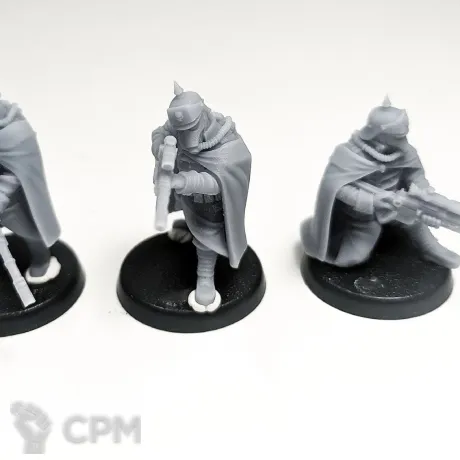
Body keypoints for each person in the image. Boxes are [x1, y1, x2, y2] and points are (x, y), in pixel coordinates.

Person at [301, 96, 460, 269]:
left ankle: (430, 248)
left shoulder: (406, 152)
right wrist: (371, 201)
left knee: (416, 221)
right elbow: (336, 188)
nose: (402, 141)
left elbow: (415, 175)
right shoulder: (349, 153)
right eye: (396, 137)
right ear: (379, 134)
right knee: (351, 259)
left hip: (400, 207)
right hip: (363, 217)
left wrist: (424, 194)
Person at [151, 83, 251, 312]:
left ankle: (205, 275)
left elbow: (219, 182)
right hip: (188, 199)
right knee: (191, 217)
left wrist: (181, 181)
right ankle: (189, 226)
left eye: (191, 128)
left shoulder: (226, 140)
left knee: (208, 236)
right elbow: (158, 134)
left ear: (202, 116)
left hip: (212, 205)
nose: (186, 136)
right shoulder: (175, 126)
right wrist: (161, 150)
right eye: (182, 131)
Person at [0, 97, 61, 283]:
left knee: (28, 230)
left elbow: (15, 173)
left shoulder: (13, 132)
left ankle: (42, 261)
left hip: (12, 199)